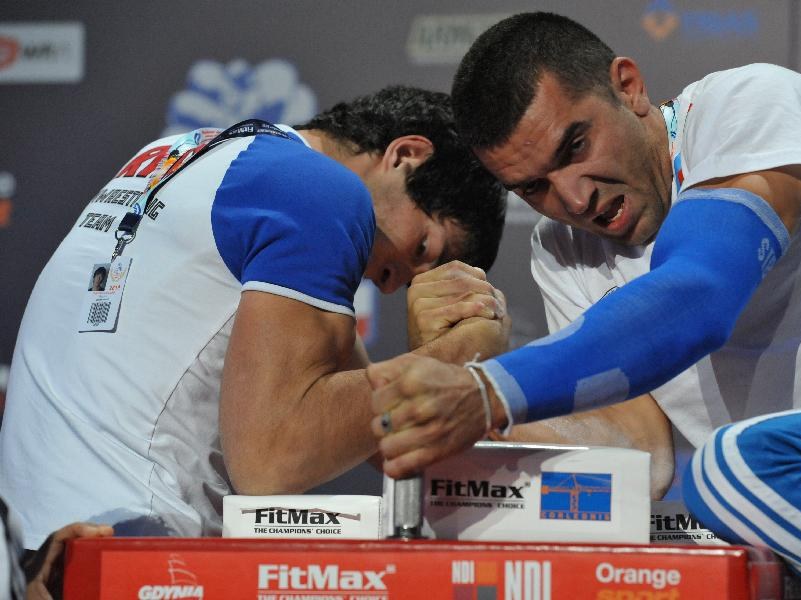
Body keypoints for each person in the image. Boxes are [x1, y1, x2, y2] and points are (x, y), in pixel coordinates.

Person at [366, 12, 801, 598]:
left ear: (628, 86)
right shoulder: (562, 248)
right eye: (534, 188)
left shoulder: (744, 104)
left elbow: (699, 295)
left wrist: (487, 390)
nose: (575, 198)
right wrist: (445, 390)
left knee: (732, 469)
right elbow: (639, 455)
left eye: (575, 146)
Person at [0, 85, 510, 549]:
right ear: (406, 156)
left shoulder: (194, 152)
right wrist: (465, 350)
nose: (397, 285)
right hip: (124, 547)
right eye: (423, 248)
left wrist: (436, 367)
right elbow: (271, 460)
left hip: (34, 549)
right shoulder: (318, 190)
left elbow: (380, 430)